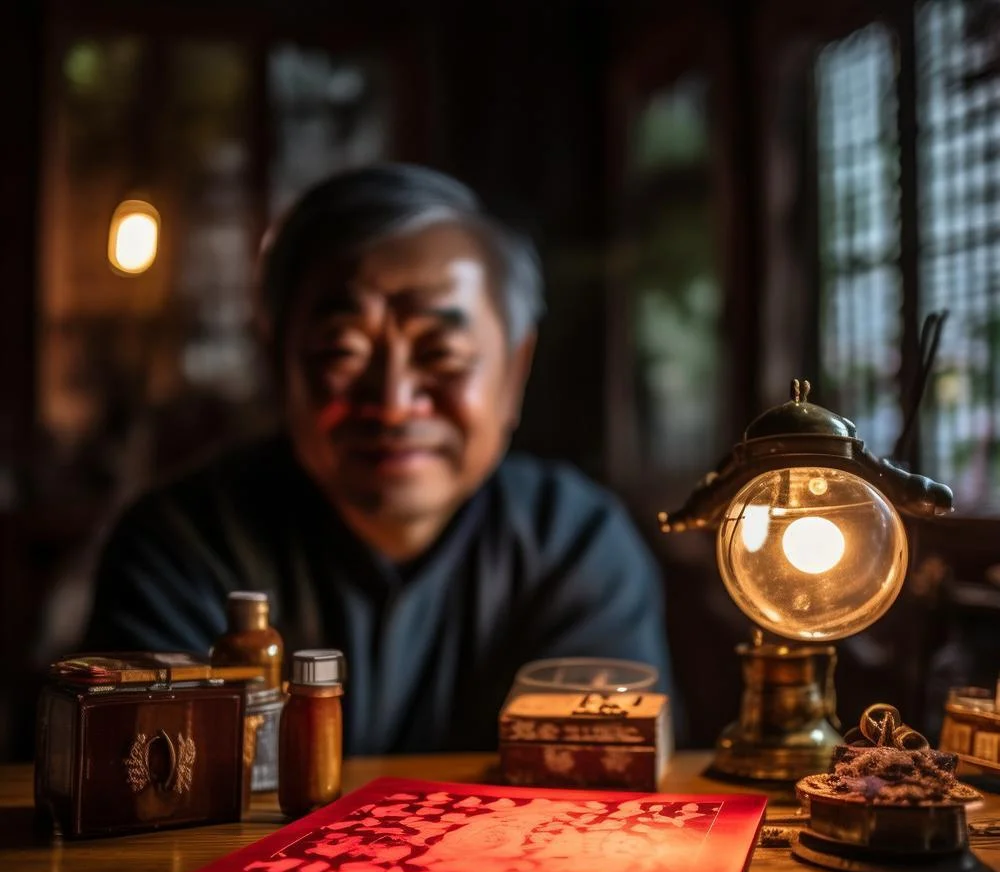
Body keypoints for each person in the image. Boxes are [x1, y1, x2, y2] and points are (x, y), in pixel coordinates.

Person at [82, 163, 675, 755]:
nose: (392, 402)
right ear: (278, 363)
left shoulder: (572, 543)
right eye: (343, 351)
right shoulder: (182, 547)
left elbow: (606, 782)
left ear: (515, 371)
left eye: (440, 354)